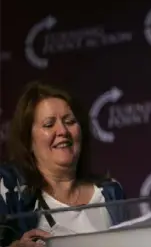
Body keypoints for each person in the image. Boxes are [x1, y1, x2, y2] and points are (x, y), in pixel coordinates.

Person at [0, 81, 126, 246]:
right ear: (28, 141)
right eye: (49, 124)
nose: (63, 131)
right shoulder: (9, 193)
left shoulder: (111, 192)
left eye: (69, 121)